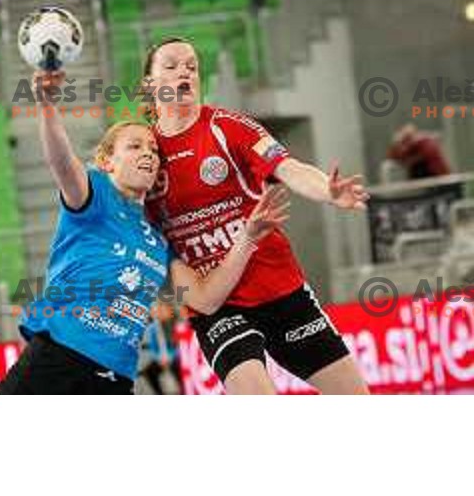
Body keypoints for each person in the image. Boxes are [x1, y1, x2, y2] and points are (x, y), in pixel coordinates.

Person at [0, 71, 290, 395]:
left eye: (153, 149)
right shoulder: (94, 193)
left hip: (117, 375)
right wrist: (47, 105)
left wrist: (247, 239)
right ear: (107, 161)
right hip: (58, 356)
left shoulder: (159, 232)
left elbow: (205, 299)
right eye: (134, 146)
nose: (149, 153)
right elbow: (62, 162)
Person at [143, 37, 371, 395]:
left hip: (280, 291)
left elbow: (289, 167)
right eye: (171, 66)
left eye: (191, 65)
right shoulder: (145, 152)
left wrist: (327, 189)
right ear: (150, 83)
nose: (184, 72)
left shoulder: (229, 127)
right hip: (216, 306)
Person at [386, 123, 451, 179]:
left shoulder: (423, 143)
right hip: (431, 178)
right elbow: (394, 155)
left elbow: (399, 153)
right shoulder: (420, 143)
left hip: (436, 178)